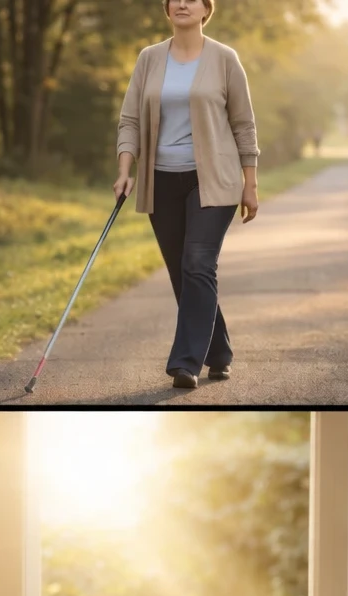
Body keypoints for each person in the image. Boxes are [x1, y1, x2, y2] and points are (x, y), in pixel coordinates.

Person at [114, 0, 261, 389]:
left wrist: (251, 183)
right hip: (161, 180)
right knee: (185, 273)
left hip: (213, 179)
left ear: (205, 8)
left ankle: (185, 362)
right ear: (166, 8)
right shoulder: (149, 59)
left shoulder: (225, 59)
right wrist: (125, 171)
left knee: (197, 263)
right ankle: (219, 352)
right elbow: (129, 120)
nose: (182, 2)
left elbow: (244, 125)